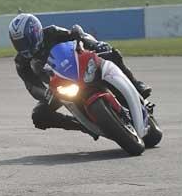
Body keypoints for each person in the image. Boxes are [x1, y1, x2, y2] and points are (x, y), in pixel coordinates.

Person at [9, 12, 152, 134]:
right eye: (18, 43)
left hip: (80, 68)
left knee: (111, 54)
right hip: (59, 89)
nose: (23, 47)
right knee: (39, 116)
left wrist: (95, 44)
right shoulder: (21, 62)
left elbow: (77, 34)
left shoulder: (51, 33)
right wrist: (45, 93)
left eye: (25, 41)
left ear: (35, 32)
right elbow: (31, 86)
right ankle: (82, 125)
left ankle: (136, 84)